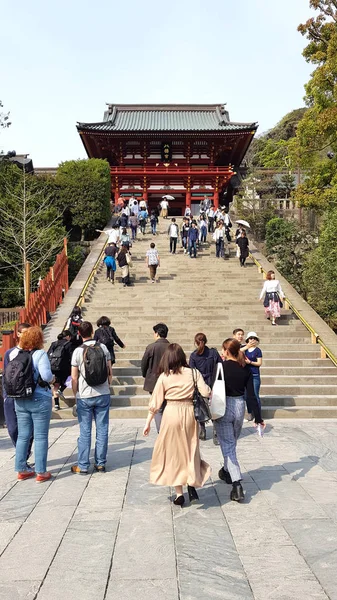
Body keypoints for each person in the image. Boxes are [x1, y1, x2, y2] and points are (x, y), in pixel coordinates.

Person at [143, 343, 211, 506]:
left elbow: (155, 402)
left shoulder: (165, 377)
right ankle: (192, 481)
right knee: (190, 449)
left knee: (173, 453)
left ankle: (179, 493)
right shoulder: (193, 373)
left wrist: (148, 423)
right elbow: (206, 392)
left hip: (171, 414)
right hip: (189, 414)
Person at [214, 338, 265, 502]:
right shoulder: (245, 369)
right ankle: (226, 470)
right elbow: (252, 396)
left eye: (223, 350)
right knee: (231, 443)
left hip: (223, 406)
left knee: (228, 445)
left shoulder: (221, 367)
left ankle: (237, 484)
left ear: (227, 351)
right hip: (239, 407)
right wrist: (258, 417)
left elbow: (212, 386)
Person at [13, 326, 53, 483]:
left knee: (23, 435)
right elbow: (46, 375)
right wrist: (53, 379)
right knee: (41, 436)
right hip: (39, 399)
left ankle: (21, 469)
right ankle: (41, 472)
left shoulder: (16, 354)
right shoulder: (40, 354)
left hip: (20, 398)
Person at [71, 321, 112, 474]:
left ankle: (82, 465)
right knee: (102, 429)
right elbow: (109, 372)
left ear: (79, 333)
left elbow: (74, 377)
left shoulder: (77, 352)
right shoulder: (103, 348)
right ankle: (100, 463)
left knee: (85, 431)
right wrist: (107, 385)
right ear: (93, 331)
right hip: (103, 393)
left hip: (85, 395)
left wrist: (76, 394)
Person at [2, 323, 32, 459]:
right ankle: (22, 452)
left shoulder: (33, 352)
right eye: (23, 332)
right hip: (11, 395)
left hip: (28, 396)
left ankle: (24, 455)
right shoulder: (10, 353)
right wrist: (5, 394)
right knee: (12, 428)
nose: (26, 335)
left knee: (29, 430)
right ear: (18, 334)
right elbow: (6, 375)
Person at [189, 333, 222, 443]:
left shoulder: (193, 355)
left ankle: (202, 430)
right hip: (214, 382)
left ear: (195, 342)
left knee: (201, 406)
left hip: (200, 384)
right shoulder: (213, 352)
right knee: (214, 407)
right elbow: (220, 367)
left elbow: (192, 372)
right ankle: (216, 432)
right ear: (206, 340)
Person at [141, 323, 169, 432]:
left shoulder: (151, 347)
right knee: (167, 406)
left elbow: (144, 364)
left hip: (154, 382)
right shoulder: (172, 347)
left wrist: (145, 375)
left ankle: (161, 431)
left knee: (157, 407)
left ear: (157, 333)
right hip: (169, 381)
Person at [47, 330, 73, 410]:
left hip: (54, 367)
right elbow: (71, 356)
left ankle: (57, 405)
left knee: (56, 385)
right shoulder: (69, 344)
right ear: (68, 336)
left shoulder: (54, 343)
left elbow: (48, 354)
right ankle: (61, 390)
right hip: (65, 367)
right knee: (71, 379)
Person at [244, 331, 263, 413]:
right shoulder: (244, 349)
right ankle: (250, 413)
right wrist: (246, 347)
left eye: (254, 339)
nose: (252, 340)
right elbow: (237, 352)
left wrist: (250, 362)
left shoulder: (258, 350)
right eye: (251, 338)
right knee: (247, 395)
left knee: (255, 395)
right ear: (248, 340)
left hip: (254, 374)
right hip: (245, 375)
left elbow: (259, 363)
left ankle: (257, 414)